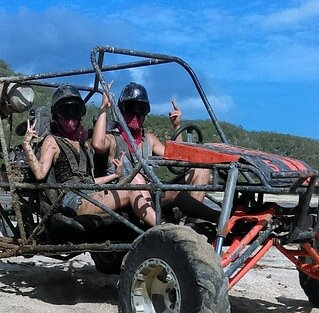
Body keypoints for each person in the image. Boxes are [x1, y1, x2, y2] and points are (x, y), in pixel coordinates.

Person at [20, 84, 157, 226]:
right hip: (72, 200)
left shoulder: (83, 144)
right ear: (56, 116)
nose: (70, 120)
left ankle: (159, 225)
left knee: (136, 183)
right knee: (131, 190)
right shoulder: (52, 141)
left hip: (90, 193)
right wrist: (26, 145)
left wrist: (115, 175)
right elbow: (40, 174)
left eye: (75, 112)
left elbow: (90, 181)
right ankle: (162, 228)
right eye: (65, 113)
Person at [91, 82, 212, 207]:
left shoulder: (149, 140)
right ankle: (156, 220)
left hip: (151, 194)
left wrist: (176, 126)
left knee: (202, 170)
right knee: (136, 179)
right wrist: (104, 108)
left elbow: (178, 158)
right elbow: (98, 145)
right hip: (123, 195)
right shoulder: (112, 139)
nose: (136, 115)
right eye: (130, 108)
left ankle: (191, 222)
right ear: (121, 110)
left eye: (141, 109)